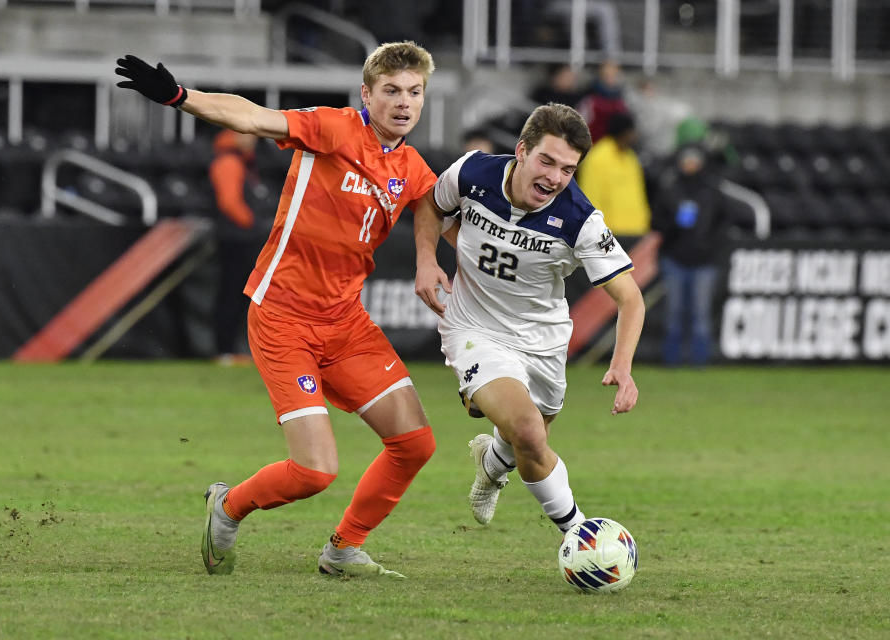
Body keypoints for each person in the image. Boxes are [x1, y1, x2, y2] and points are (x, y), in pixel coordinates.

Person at [116, 41, 439, 579]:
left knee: (414, 443)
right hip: (283, 317)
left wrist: (427, 257)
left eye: (415, 92)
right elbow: (252, 117)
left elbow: (431, 201)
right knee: (315, 471)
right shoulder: (335, 129)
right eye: (391, 91)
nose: (403, 102)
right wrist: (179, 97)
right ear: (367, 94)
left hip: (346, 324)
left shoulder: (410, 166)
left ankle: (343, 549)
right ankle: (228, 507)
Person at [413, 103, 644, 535]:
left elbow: (631, 299)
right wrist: (427, 259)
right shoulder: (472, 174)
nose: (555, 177)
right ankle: (583, 537)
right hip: (474, 329)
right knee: (528, 432)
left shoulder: (580, 221)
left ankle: (490, 465)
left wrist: (622, 365)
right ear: (521, 151)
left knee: (528, 439)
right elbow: (431, 204)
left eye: (568, 169)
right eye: (547, 161)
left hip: (543, 342)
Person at [651, 143, 728, 366]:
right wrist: (674, 226)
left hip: (704, 261)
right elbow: (656, 222)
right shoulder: (670, 190)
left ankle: (700, 362)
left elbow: (724, 223)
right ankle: (671, 361)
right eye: (687, 161)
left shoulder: (712, 191)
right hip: (675, 259)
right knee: (673, 314)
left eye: (694, 161)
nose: (690, 166)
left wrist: (711, 246)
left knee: (700, 315)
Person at [208, 129, 265, 363]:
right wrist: (254, 226)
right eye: (246, 134)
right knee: (232, 293)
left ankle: (230, 349)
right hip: (237, 239)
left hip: (242, 238)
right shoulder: (229, 162)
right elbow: (229, 203)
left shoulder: (241, 162)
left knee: (240, 296)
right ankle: (224, 350)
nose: (252, 139)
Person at [575, 110, 651, 236]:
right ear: (622, 132)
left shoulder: (631, 157)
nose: (634, 136)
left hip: (636, 230)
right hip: (609, 232)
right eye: (631, 132)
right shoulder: (597, 157)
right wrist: (597, 230)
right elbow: (591, 196)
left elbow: (639, 194)